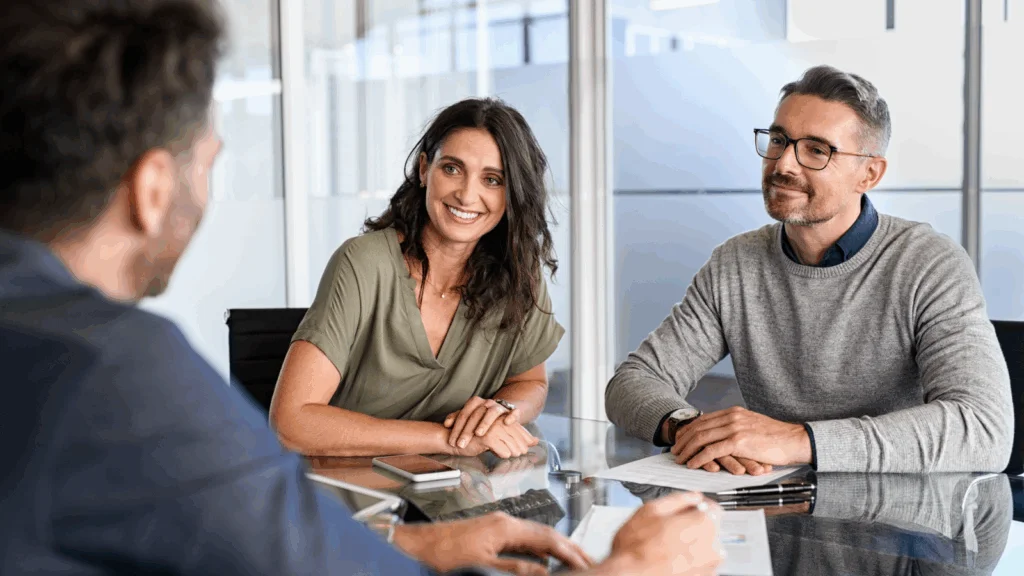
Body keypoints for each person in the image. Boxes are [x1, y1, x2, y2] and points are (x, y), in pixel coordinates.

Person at [0, 1, 724, 575]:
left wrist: (434, 532)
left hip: (419, 518)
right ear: (153, 186)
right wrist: (624, 570)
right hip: (352, 505)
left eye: (493, 179)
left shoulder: (50, 343)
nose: (468, 192)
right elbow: (290, 491)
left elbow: (279, 555)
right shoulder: (123, 374)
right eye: (209, 157)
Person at [605, 65, 1014, 475]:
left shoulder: (928, 264)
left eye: (817, 150)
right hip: (772, 509)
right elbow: (632, 382)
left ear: (869, 174)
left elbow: (982, 429)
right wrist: (689, 429)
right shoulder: (734, 263)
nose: (784, 164)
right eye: (779, 140)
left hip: (904, 521)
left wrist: (797, 440)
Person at [271, 98, 564, 459]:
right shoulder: (363, 263)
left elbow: (530, 381)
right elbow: (291, 422)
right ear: (425, 169)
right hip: (345, 494)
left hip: (453, 497)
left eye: (492, 179)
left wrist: (501, 411)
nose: (467, 194)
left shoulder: (519, 273)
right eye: (452, 169)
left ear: (512, 193)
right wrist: (446, 440)